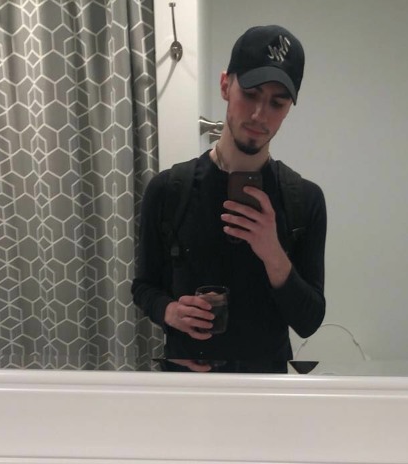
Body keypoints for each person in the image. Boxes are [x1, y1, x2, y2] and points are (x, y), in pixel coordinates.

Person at [132, 25, 326, 366]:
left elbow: (309, 321)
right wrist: (169, 311)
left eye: (277, 102)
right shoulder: (168, 190)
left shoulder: (305, 200)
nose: (259, 115)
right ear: (225, 85)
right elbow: (144, 286)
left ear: (288, 110)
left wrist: (272, 253)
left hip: (264, 389)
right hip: (188, 384)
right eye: (250, 94)